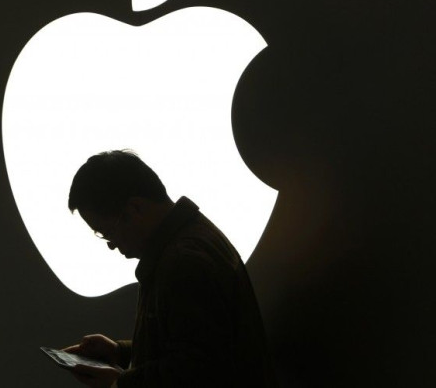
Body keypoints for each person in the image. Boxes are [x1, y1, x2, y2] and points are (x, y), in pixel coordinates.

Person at [63, 150, 277, 388]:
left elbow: (195, 372)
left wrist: (119, 383)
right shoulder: (192, 240)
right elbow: (196, 346)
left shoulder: (185, 263)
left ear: (134, 209)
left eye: (107, 232)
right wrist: (120, 352)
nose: (111, 245)